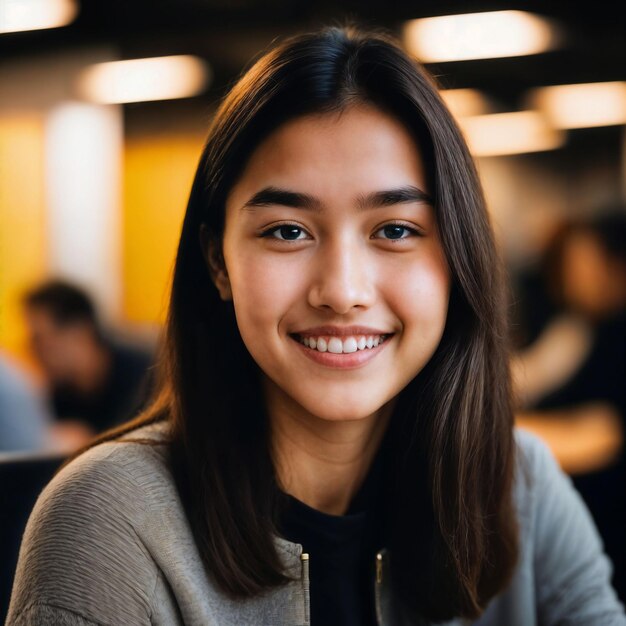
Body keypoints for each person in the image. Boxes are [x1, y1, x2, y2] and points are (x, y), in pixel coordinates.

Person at [6, 27, 626, 625]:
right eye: (287, 231)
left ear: (458, 260)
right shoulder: (110, 521)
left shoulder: (522, 490)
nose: (343, 292)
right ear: (219, 262)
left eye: (396, 230)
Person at [22, 280, 155, 443]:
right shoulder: (60, 393)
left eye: (39, 339)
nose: (33, 350)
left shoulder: (146, 377)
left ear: (79, 332)